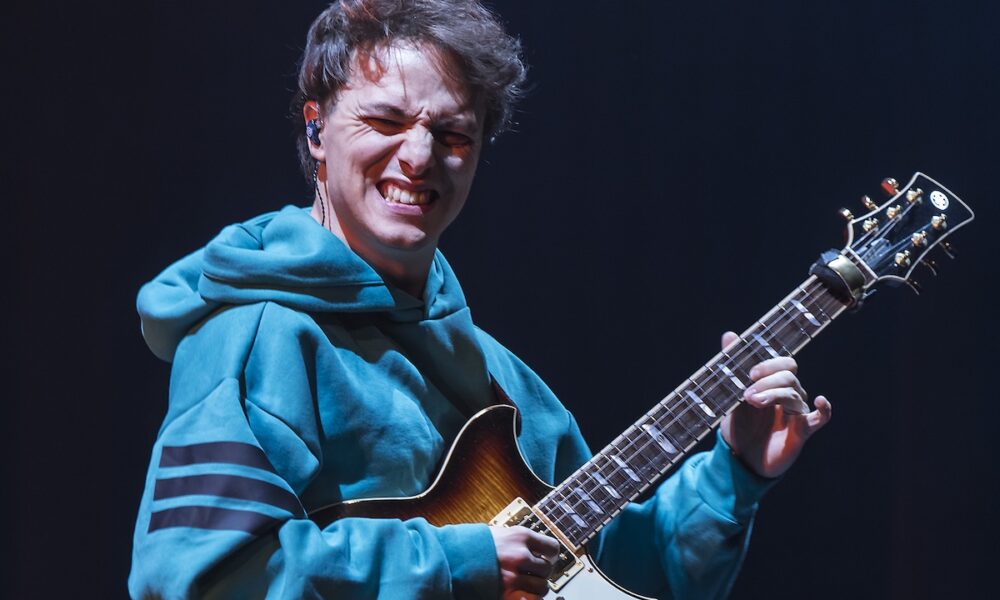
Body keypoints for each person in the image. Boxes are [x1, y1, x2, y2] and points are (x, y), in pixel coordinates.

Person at [129, 1, 832, 598]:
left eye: (453, 133)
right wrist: (460, 563)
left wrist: (735, 472)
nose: (419, 156)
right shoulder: (255, 334)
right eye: (386, 121)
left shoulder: (505, 382)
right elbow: (200, 577)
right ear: (316, 129)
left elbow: (612, 577)